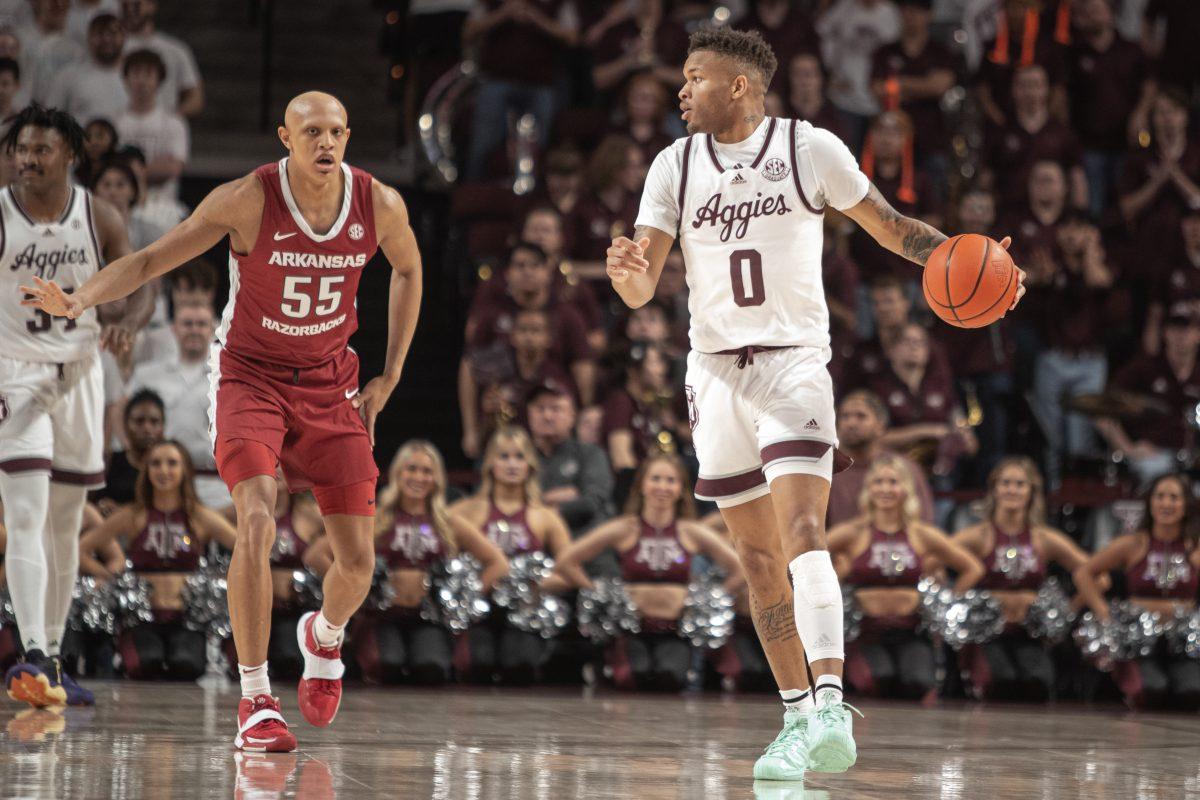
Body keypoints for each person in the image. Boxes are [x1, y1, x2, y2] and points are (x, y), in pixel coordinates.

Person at [604, 26, 1026, 780]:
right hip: (712, 375)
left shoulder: (810, 149)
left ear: (738, 85)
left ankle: (832, 704)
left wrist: (981, 263)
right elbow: (642, 287)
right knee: (758, 561)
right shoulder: (673, 164)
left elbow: (896, 232)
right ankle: (797, 718)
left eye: (694, 76)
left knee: (803, 531)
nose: (681, 90)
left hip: (793, 367)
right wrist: (627, 272)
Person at [22, 91, 423, 751]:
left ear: (348, 137)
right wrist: (81, 298)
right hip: (250, 378)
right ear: (284, 138)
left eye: (335, 133)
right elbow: (153, 259)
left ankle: (322, 637)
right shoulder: (248, 199)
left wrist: (393, 373)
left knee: (357, 563)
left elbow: (408, 269)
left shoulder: (378, 203)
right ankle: (256, 697)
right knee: (257, 520)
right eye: (311, 132)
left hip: (330, 385)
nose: (325, 144)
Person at [0, 104, 152, 709]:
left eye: (39, 149)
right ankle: (31, 650)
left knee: (65, 524)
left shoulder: (100, 215)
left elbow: (143, 281)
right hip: (16, 373)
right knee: (27, 512)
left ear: (70, 155)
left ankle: (52, 662)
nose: (26, 159)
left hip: (82, 375)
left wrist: (128, 323)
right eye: (19, 150)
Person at [550, 453, 744, 690]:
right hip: (632, 632)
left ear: (681, 488)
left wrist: (709, 600)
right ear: (642, 485)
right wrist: (597, 593)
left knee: (670, 677)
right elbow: (566, 561)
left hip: (675, 633)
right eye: (656, 479)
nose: (662, 486)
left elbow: (740, 569)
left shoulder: (691, 531)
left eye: (671, 480)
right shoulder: (624, 528)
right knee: (633, 677)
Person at [77, 440, 236, 680]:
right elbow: (80, 548)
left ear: (185, 470)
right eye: (155, 463)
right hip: (142, 619)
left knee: (186, 667)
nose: (163, 470)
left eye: (172, 463)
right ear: (146, 471)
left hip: (187, 620)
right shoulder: (133, 514)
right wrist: (107, 576)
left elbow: (247, 548)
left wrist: (224, 580)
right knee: (145, 665)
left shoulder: (199, 516)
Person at [351, 441, 507, 686]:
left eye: (427, 471)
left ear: (437, 478)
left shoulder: (448, 521)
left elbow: (497, 563)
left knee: (430, 669)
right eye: (411, 469)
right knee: (386, 666)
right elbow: (322, 554)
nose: (419, 477)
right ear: (397, 473)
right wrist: (356, 592)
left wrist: (464, 597)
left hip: (430, 617)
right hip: (383, 616)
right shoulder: (377, 518)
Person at [828, 455, 984, 700]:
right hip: (865, 632)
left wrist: (946, 605)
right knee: (875, 681)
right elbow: (805, 560)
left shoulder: (921, 534)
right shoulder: (851, 532)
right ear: (868, 489)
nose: (885, 489)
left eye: (893, 482)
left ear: (906, 490)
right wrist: (836, 577)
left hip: (911, 632)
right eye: (878, 482)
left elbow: (972, 567)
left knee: (918, 684)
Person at [951, 457, 1092, 701]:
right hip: (988, 635)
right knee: (1001, 682)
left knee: (1038, 684)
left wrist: (1068, 609)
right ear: (994, 489)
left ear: (1031, 492)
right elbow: (930, 563)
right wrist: (954, 601)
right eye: (1005, 483)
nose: (1012, 490)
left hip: (1030, 635)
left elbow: (1095, 575)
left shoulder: (1044, 538)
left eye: (1019, 484)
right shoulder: (977, 536)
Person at [449, 427, 572, 685]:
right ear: (490, 464)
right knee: (477, 666)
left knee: (520, 667)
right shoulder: (465, 510)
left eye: (519, 457)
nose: (512, 464)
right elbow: (444, 561)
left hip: (525, 614)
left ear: (530, 465)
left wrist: (532, 586)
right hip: (478, 612)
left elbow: (568, 571)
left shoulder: (545, 515)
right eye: (504, 456)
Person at [1074, 473, 1200, 711]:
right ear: (1150, 503)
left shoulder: (1194, 546)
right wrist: (1103, 612)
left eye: (1174, 497)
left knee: (1192, 693)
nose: (1166, 503)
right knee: (1151, 690)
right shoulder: (1134, 543)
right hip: (1139, 642)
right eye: (1160, 496)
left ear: (1186, 505)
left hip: (1182, 643)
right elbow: (1084, 573)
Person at [124, 302, 232, 512]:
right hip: (161, 483)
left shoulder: (229, 377)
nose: (194, 329)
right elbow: (126, 418)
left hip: (216, 485)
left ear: (213, 329)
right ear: (174, 328)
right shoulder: (148, 375)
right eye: (187, 324)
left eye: (201, 324)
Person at [1097, 313, 1200, 486]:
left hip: (1190, 455)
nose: (1181, 336)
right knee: (1155, 470)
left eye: (1187, 329)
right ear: (1164, 332)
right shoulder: (1144, 368)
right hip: (1152, 454)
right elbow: (1100, 410)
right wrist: (1128, 449)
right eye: (1175, 329)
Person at [828, 390, 934, 527]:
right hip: (836, 547)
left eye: (861, 416)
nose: (851, 424)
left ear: (880, 425)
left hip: (897, 547)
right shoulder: (823, 470)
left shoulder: (905, 469)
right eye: (845, 416)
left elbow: (924, 524)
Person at [261, 468, 327, 681]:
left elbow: (351, 534)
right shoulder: (245, 510)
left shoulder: (310, 514)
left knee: (290, 661)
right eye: (272, 462)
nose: (278, 469)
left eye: (283, 463)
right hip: (255, 612)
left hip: (293, 611)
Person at [526, 383, 614, 536]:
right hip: (532, 539)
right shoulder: (520, 456)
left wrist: (536, 505)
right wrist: (549, 499)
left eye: (556, 409)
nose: (547, 416)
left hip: (583, 540)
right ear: (529, 414)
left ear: (572, 416)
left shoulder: (590, 454)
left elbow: (591, 503)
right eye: (540, 409)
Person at [114, 48, 187, 219]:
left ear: (159, 81)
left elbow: (173, 168)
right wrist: (154, 168)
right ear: (126, 79)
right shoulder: (114, 123)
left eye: (148, 74)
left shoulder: (174, 123)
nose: (142, 81)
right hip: (121, 212)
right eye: (136, 73)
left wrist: (129, 172)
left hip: (164, 208)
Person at [118, 0, 203, 117]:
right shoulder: (112, 51)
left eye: (136, 5)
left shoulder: (176, 50)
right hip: (122, 126)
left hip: (162, 130)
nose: (130, 10)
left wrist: (170, 120)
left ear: (151, 5)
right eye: (125, 6)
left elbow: (196, 98)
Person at [44, 12, 125, 127]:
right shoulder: (68, 76)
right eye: (100, 33)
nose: (106, 39)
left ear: (123, 37)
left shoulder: (135, 78)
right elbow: (50, 120)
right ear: (89, 38)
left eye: (112, 33)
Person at [94, 387, 163, 514]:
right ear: (126, 425)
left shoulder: (170, 466)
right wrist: (102, 507)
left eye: (154, 422)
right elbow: (90, 505)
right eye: (139, 421)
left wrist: (123, 512)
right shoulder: (109, 462)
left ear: (163, 426)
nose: (147, 428)